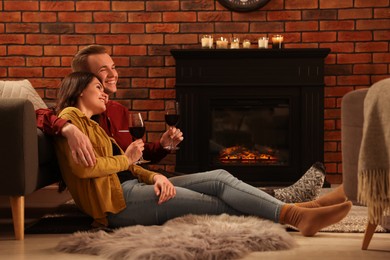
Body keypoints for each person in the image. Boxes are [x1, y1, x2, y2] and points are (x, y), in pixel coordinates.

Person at [53, 71, 352, 237]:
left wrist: (155, 174)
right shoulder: (70, 122)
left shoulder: (90, 125)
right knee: (214, 202)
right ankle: (297, 216)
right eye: (97, 87)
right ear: (80, 91)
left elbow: (128, 167)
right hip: (117, 205)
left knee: (220, 177)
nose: (105, 92)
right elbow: (85, 170)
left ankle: (304, 210)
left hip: (132, 187)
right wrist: (127, 159)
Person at [36, 44, 328, 202]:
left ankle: (280, 197)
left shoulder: (118, 110)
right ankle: (284, 202)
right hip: (119, 189)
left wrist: (162, 146)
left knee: (219, 178)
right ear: (83, 80)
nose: (113, 75)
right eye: (103, 71)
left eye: (113, 67)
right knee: (211, 192)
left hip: (138, 177)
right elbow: (42, 114)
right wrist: (67, 128)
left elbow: (137, 155)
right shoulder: (75, 116)